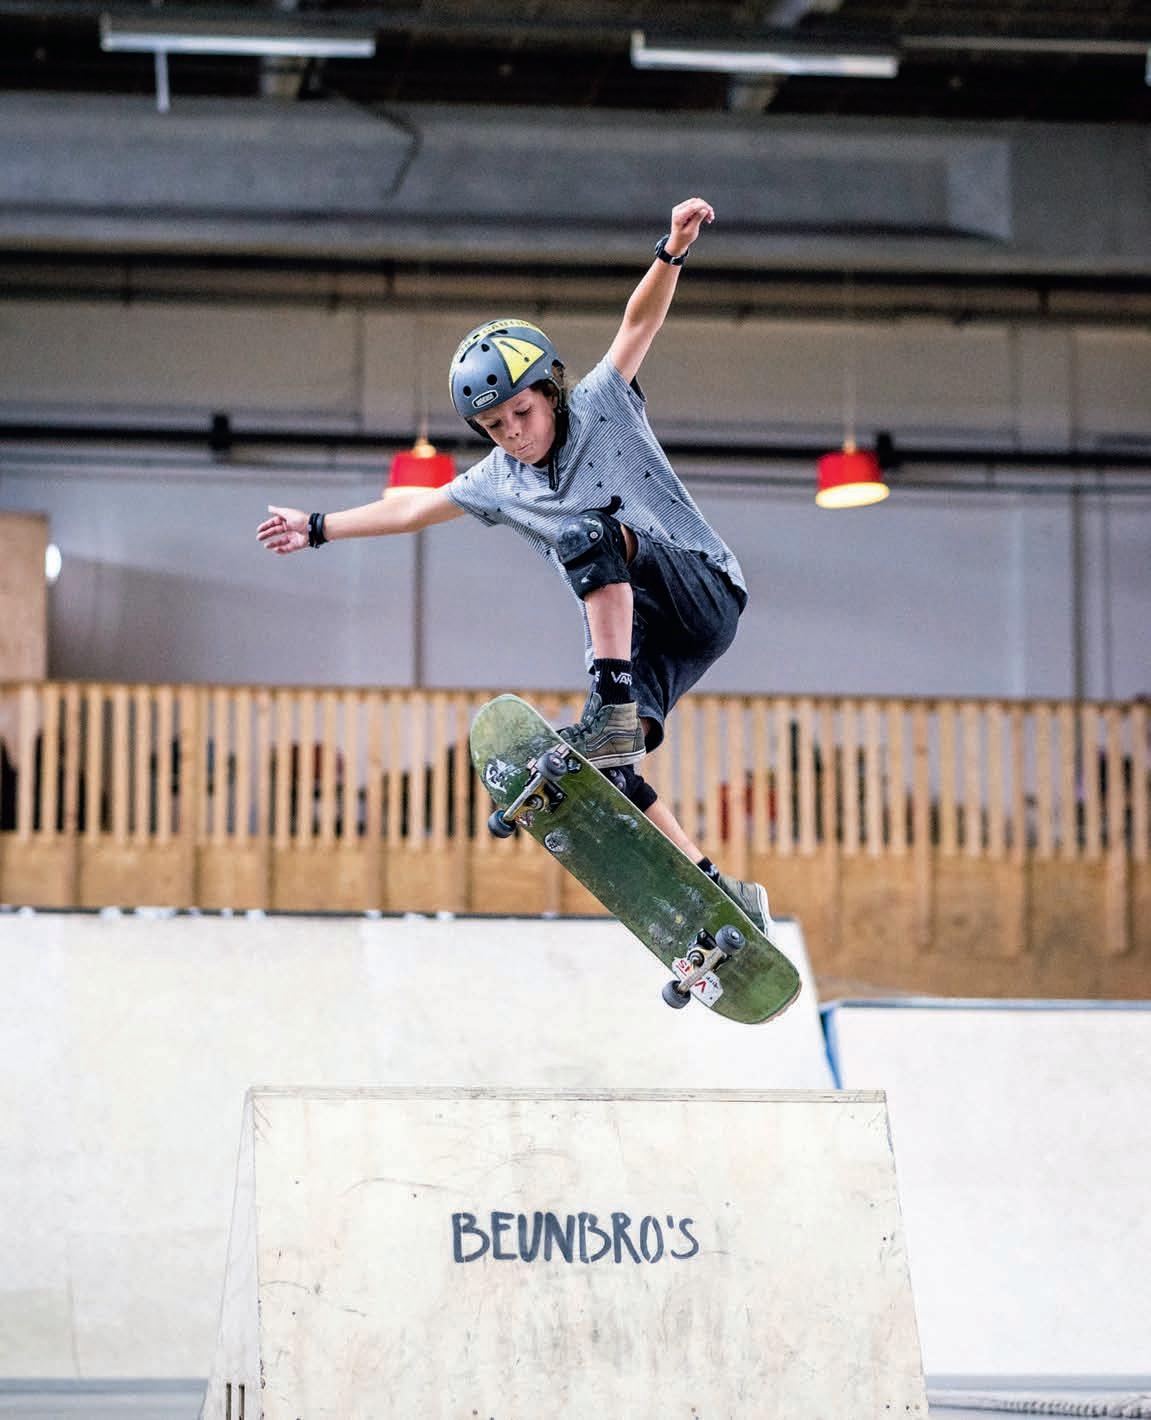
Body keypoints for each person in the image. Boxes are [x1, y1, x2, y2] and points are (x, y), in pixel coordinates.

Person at [257, 197, 773, 936]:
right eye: (494, 427)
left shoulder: (602, 403)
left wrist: (672, 250)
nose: (514, 436)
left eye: (522, 415)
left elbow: (637, 325)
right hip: (648, 640)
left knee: (588, 537)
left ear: (550, 390)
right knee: (612, 776)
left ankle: (609, 711)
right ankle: (721, 896)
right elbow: (412, 509)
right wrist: (316, 528)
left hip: (701, 588)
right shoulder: (498, 479)